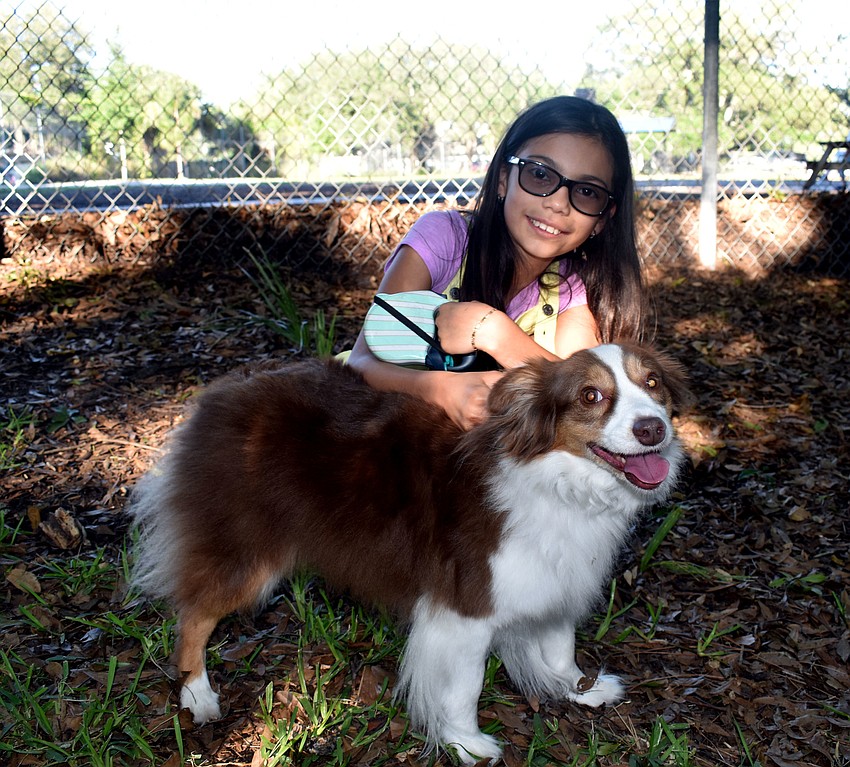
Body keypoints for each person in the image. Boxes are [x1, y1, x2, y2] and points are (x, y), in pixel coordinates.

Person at [346, 95, 646, 430]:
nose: (559, 204)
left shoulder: (569, 292)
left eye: (587, 192)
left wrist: (494, 332)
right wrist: (442, 390)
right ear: (504, 178)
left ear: (603, 219)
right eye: (540, 175)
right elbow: (360, 362)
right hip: (367, 437)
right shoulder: (444, 240)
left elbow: (585, 401)